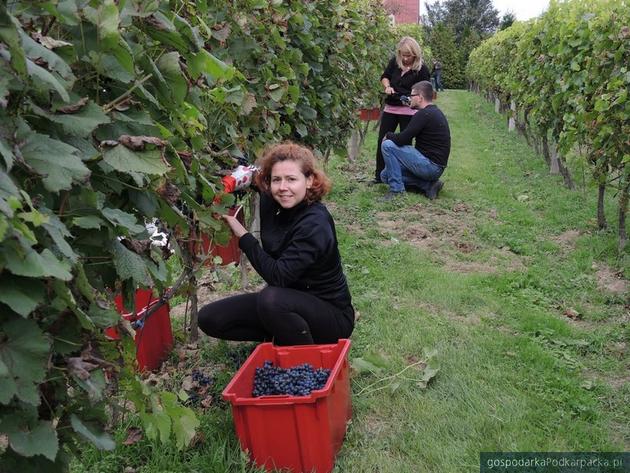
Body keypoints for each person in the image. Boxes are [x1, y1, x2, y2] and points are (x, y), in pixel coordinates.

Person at [198, 142, 355, 346]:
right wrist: (230, 179)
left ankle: (307, 362)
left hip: (330, 315)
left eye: (291, 179)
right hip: (287, 304)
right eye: (276, 180)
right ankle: (288, 335)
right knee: (210, 318)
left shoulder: (314, 223)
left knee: (270, 299)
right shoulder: (274, 199)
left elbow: (278, 276)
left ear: (309, 180)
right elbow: (252, 174)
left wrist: (243, 234)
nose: (283, 187)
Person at [380, 80, 451, 201]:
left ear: (420, 98)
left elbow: (403, 139)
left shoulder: (424, 115)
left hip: (430, 166)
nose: (409, 98)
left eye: (412, 95)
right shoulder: (432, 112)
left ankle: (396, 191)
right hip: (435, 167)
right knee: (385, 175)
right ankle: (429, 185)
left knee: (388, 145)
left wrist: (388, 135)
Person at [373, 36, 431, 184]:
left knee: (404, 145)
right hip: (391, 108)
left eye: (408, 56)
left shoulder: (422, 70)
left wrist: (411, 99)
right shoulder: (395, 62)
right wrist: (387, 86)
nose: (405, 59)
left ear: (415, 54)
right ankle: (379, 176)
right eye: (402, 55)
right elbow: (385, 76)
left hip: (409, 112)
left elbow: (425, 90)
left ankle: (404, 176)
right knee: (383, 140)